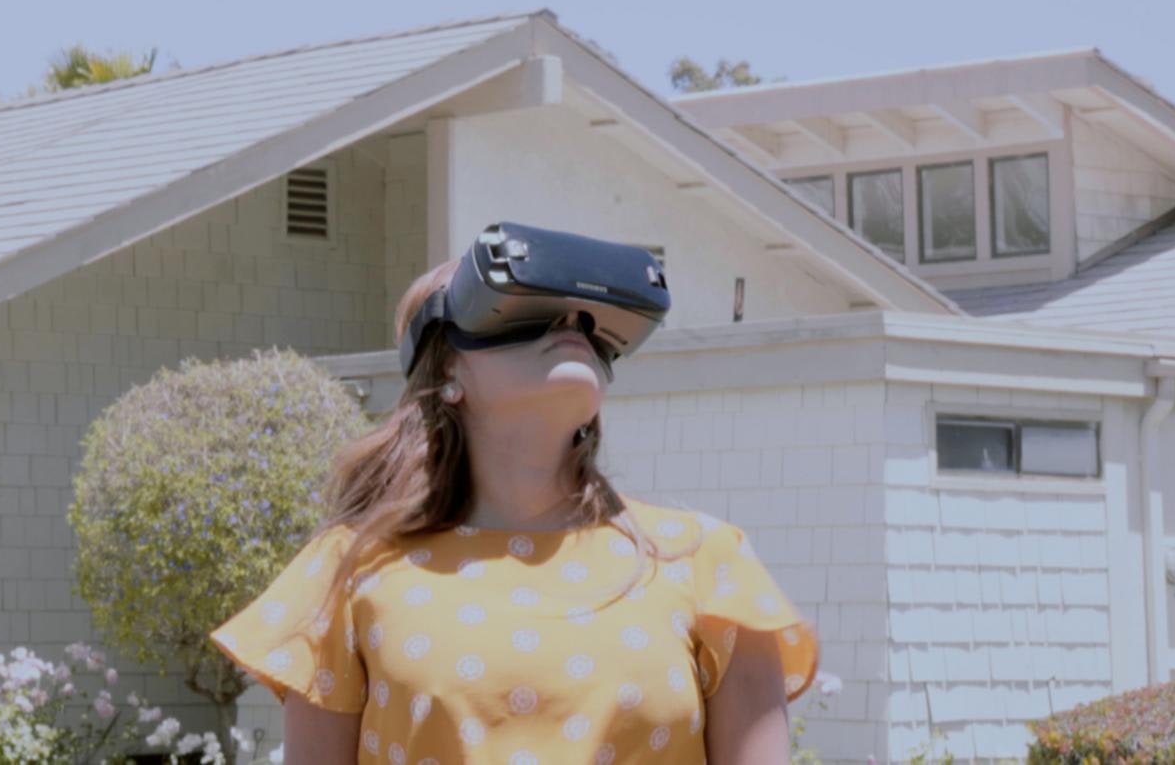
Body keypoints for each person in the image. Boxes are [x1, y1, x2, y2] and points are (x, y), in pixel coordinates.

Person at [210, 247, 819, 765]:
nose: (569, 325)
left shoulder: (707, 562)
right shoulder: (348, 570)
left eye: (585, 318)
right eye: (522, 308)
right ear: (447, 366)